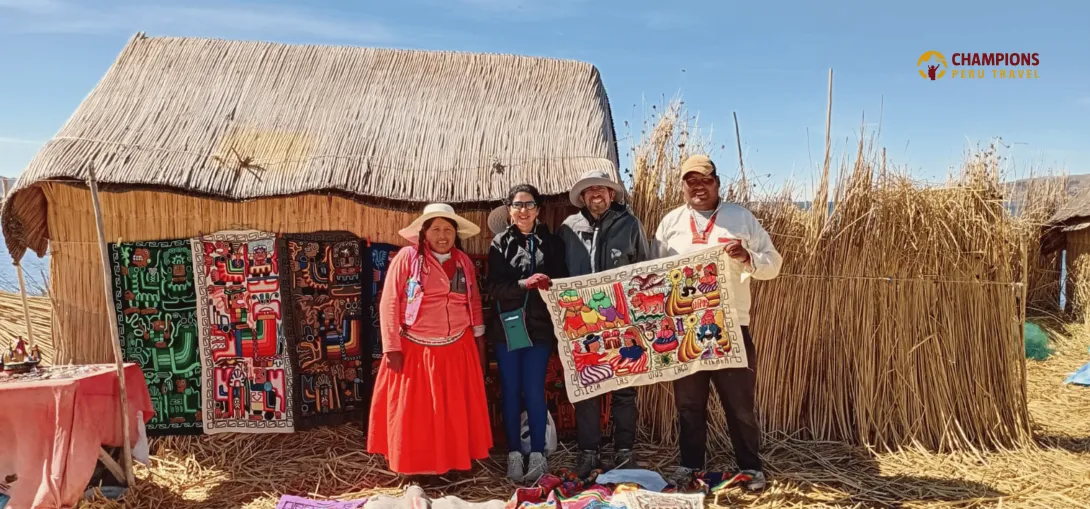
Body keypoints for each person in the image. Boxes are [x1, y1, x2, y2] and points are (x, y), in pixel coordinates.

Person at [652, 155, 782, 492]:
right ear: (682, 186)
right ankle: (690, 467)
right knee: (689, 405)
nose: (698, 185)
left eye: (705, 179)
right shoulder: (670, 224)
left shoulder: (740, 218)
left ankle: (751, 468)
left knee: (739, 404)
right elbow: (654, 274)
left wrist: (746, 257)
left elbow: (773, 265)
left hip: (731, 326)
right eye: (690, 180)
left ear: (717, 183)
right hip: (685, 329)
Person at [367, 203, 492, 476]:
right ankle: (415, 468)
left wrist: (479, 343)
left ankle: (453, 464)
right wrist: (391, 347)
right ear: (424, 233)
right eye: (435, 229)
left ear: (456, 234)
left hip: (458, 347)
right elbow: (389, 302)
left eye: (448, 229)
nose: (442, 235)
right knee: (418, 415)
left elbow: (473, 301)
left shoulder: (463, 262)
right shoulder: (407, 259)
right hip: (416, 349)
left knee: (453, 413)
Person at [556, 168, 651, 478]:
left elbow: (644, 271)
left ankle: (625, 452)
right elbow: (559, 273)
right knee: (588, 388)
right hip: (583, 324)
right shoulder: (569, 228)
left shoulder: (630, 225)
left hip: (624, 323)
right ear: (582, 197)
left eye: (602, 188)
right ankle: (589, 452)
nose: (596, 193)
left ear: (612, 194)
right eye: (589, 189)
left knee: (625, 389)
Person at [485, 184, 569, 483]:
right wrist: (524, 284)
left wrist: (550, 284)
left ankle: (537, 455)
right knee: (510, 390)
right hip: (508, 327)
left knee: (534, 389)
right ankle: (513, 455)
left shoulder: (553, 244)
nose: (523, 210)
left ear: (538, 209)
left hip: (540, 327)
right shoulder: (499, 244)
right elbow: (492, 288)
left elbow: (563, 282)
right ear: (509, 209)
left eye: (529, 204)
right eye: (518, 205)